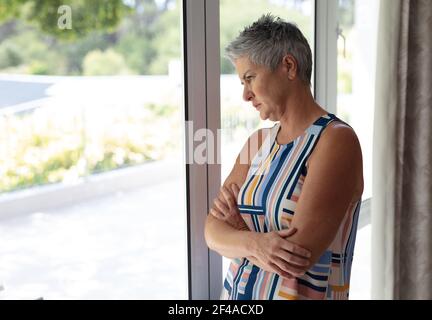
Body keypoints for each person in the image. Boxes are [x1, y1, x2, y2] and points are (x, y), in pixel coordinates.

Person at [204, 14, 364, 300]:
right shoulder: (257, 143)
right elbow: (212, 232)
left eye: (250, 78)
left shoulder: (335, 140)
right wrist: (255, 243)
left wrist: (238, 231)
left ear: (288, 66)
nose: (245, 95)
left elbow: (296, 257)